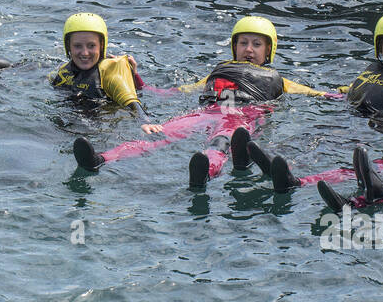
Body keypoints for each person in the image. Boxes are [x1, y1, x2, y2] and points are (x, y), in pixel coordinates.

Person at [72, 16, 330, 187]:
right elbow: (174, 92)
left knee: (220, 143)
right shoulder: (218, 71)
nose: (248, 49)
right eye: (243, 43)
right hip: (208, 111)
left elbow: (317, 95)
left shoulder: (279, 79)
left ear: (268, 50)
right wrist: (136, 78)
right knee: (161, 133)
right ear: (234, 46)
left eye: (256, 44)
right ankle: (101, 159)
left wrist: (347, 92)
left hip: (243, 117)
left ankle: (204, 173)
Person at [50, 12, 159, 133]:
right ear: (68, 46)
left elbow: (130, 100)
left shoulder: (110, 71)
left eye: (91, 46)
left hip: (104, 121)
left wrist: (144, 122)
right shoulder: (64, 71)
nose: (85, 53)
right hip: (71, 119)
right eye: (77, 46)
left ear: (101, 46)